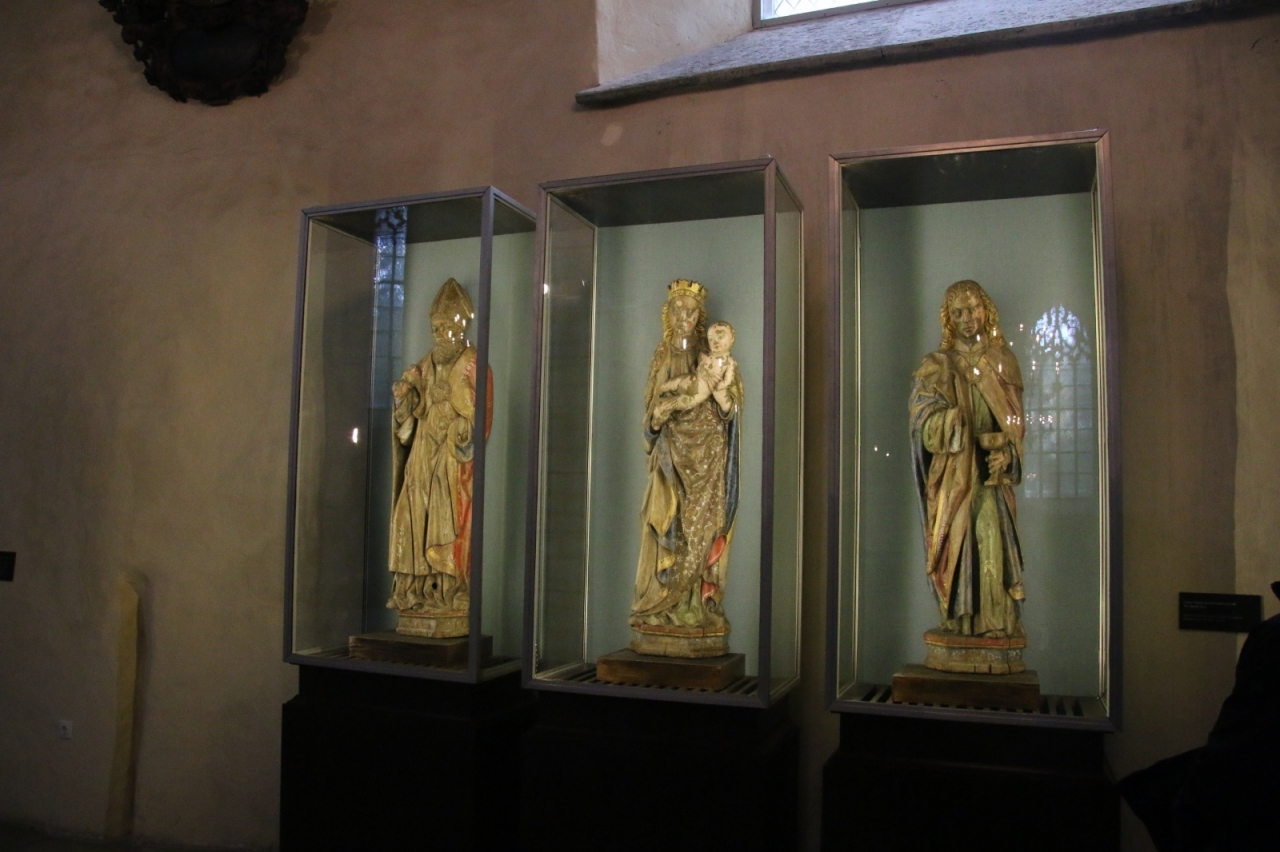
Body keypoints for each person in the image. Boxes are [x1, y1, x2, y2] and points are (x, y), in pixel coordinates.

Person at [629, 280, 743, 658]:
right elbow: (651, 408)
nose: (684, 317)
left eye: (691, 311)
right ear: (668, 313)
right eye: (677, 309)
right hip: (671, 455)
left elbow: (731, 406)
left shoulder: (714, 357)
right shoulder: (662, 354)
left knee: (703, 527)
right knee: (665, 520)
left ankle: (693, 604)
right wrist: (657, 417)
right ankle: (661, 604)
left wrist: (722, 401)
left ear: (700, 318)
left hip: (707, 456)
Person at [909, 279, 1026, 646]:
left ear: (985, 310)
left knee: (990, 539)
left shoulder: (1004, 361)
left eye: (973, 309)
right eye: (958, 312)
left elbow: (1016, 424)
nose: (967, 318)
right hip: (954, 477)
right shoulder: (936, 365)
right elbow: (920, 425)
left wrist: (1008, 454)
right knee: (957, 545)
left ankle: (995, 623)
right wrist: (948, 422)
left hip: (989, 477)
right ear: (949, 319)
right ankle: (959, 622)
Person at [386, 277, 492, 637]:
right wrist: (405, 398)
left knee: (447, 522)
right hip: (421, 455)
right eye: (436, 327)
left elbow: (481, 418)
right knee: (412, 516)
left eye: (447, 327)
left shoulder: (474, 365)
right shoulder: (423, 365)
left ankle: (447, 591)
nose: (441, 333)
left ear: (462, 327)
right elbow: (408, 414)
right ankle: (414, 591)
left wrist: (461, 424)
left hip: (449, 462)